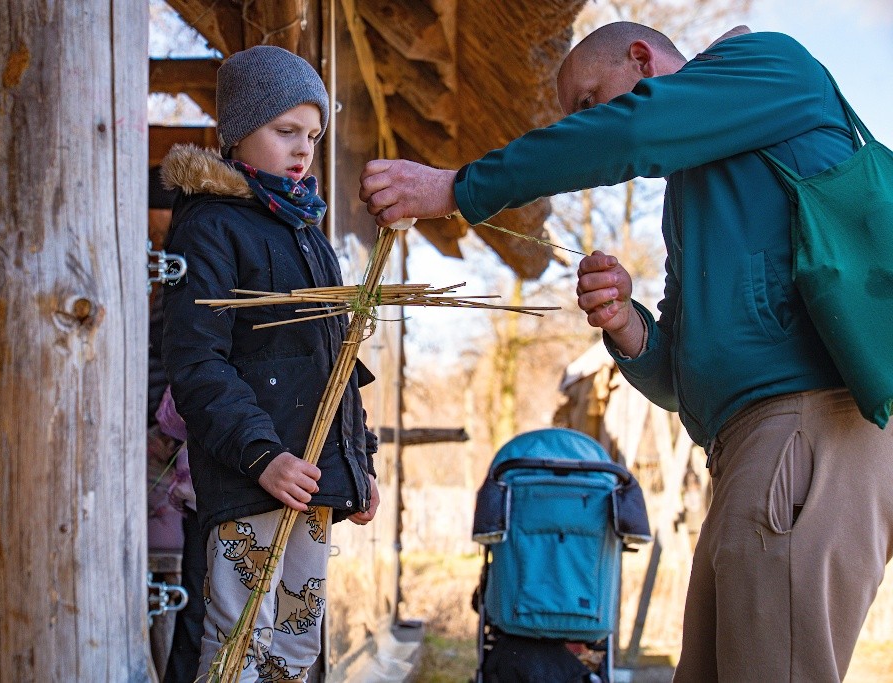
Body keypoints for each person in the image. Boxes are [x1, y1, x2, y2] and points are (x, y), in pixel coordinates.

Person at [359, 21, 893, 682]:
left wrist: (460, 188)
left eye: (588, 102)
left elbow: (632, 132)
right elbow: (676, 381)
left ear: (641, 59)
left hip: (811, 428)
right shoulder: (693, 189)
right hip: (745, 446)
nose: (585, 125)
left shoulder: (767, 62)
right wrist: (624, 323)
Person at [159, 45, 381, 682]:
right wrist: (262, 456)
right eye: (285, 131)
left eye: (312, 135)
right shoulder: (210, 227)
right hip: (251, 477)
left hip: (311, 479)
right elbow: (197, 362)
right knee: (240, 642)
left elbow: (336, 362)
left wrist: (358, 458)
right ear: (238, 133)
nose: (303, 149)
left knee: (295, 646)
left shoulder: (306, 229)